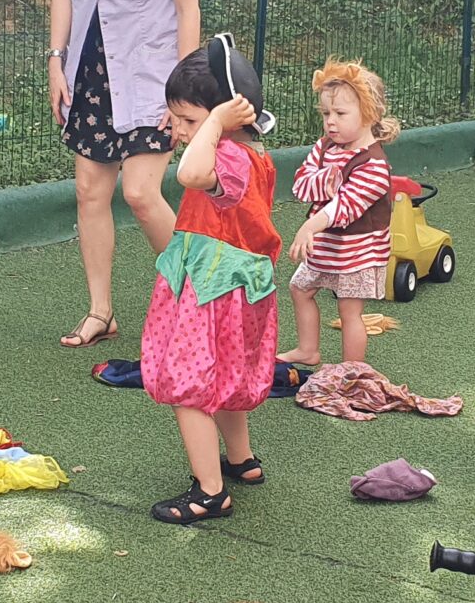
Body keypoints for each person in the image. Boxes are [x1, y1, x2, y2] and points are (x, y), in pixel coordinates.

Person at [39, 0, 206, 349]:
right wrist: (56, 59)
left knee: (139, 193)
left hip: (153, 78)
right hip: (89, 70)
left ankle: (200, 300)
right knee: (90, 191)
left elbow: (187, 8)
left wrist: (183, 97)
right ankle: (101, 312)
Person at [142, 42, 279, 524]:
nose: (178, 130)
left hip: (214, 290)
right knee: (224, 376)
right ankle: (241, 460)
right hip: (235, 285)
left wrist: (215, 122)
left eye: (188, 120)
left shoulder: (229, 156)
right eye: (176, 118)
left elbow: (190, 173)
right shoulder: (249, 152)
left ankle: (210, 492)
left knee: (189, 385)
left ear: (231, 116)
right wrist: (208, 123)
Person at [279, 59, 400, 368]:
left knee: (349, 311)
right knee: (300, 288)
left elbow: (344, 206)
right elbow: (301, 186)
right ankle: (308, 350)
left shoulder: (374, 166)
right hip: (327, 244)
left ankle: (351, 369)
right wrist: (327, 179)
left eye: (340, 114)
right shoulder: (325, 147)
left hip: (358, 251)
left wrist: (310, 225)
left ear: (369, 113)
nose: (330, 122)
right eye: (326, 114)